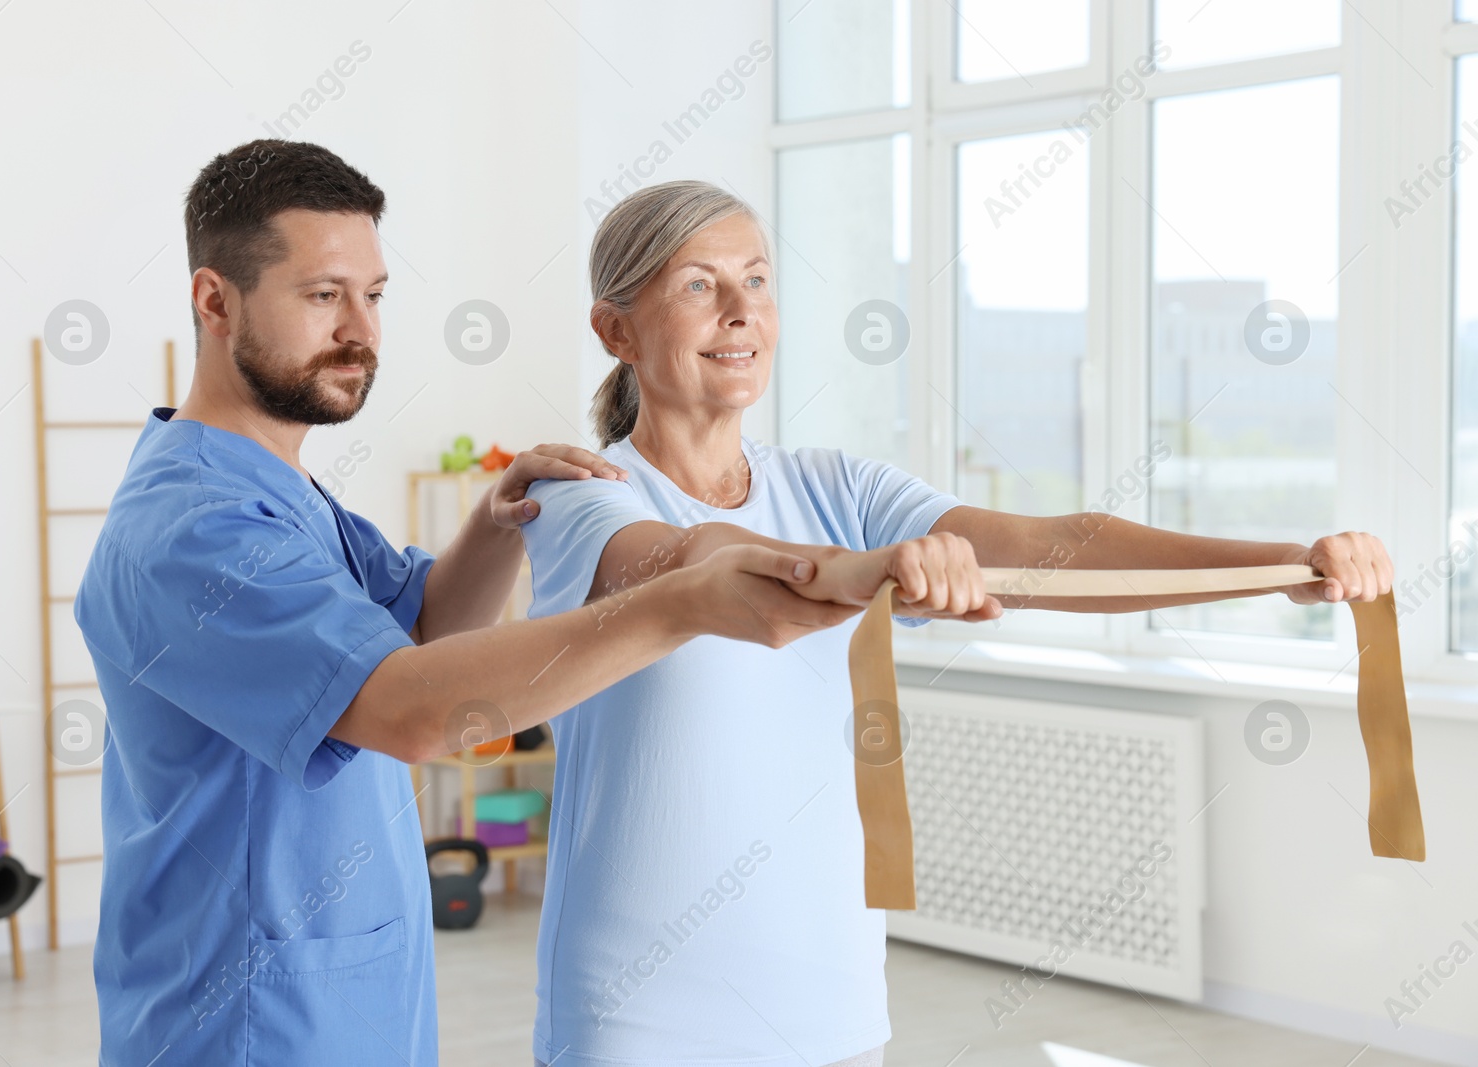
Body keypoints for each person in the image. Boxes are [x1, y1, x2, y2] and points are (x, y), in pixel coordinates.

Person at [518, 179, 1395, 1067]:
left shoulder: (840, 488)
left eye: (759, 280)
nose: (743, 312)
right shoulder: (580, 492)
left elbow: (1050, 547)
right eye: (701, 286)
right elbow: (705, 565)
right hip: (640, 1016)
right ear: (615, 329)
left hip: (832, 1008)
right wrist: (873, 568)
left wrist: (1280, 563)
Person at [72, 143, 866, 1066]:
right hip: (247, 1023)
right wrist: (679, 604)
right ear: (215, 301)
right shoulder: (192, 529)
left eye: (374, 295)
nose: (360, 329)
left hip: (346, 1007)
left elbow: (421, 628)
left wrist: (496, 523)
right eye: (324, 295)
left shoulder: (283, 494)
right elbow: (411, 708)